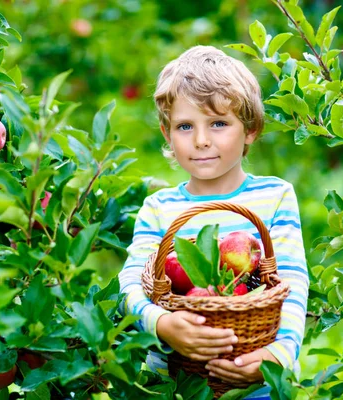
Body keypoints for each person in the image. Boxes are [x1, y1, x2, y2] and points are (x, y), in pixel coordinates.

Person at [118, 45, 309, 398]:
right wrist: (162, 324)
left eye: (219, 123)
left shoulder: (275, 196)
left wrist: (278, 355)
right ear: (167, 134)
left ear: (250, 130)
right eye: (185, 126)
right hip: (173, 385)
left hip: (257, 385)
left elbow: (292, 281)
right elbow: (129, 283)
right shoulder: (159, 207)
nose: (202, 140)